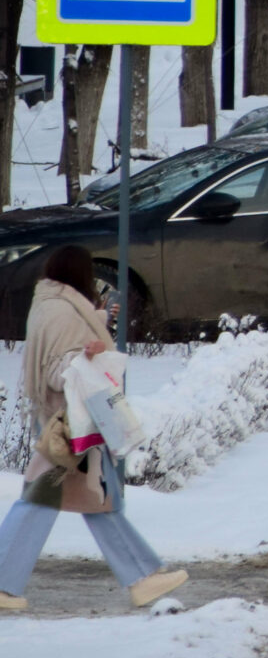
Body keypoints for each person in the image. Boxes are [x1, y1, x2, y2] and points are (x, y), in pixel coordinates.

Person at [0, 246, 187, 612]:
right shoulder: (60, 310)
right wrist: (84, 354)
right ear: (79, 274)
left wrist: (98, 320)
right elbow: (57, 368)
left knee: (97, 500)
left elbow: (62, 343)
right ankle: (142, 579)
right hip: (70, 426)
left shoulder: (55, 303)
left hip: (72, 424)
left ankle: (143, 579)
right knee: (55, 499)